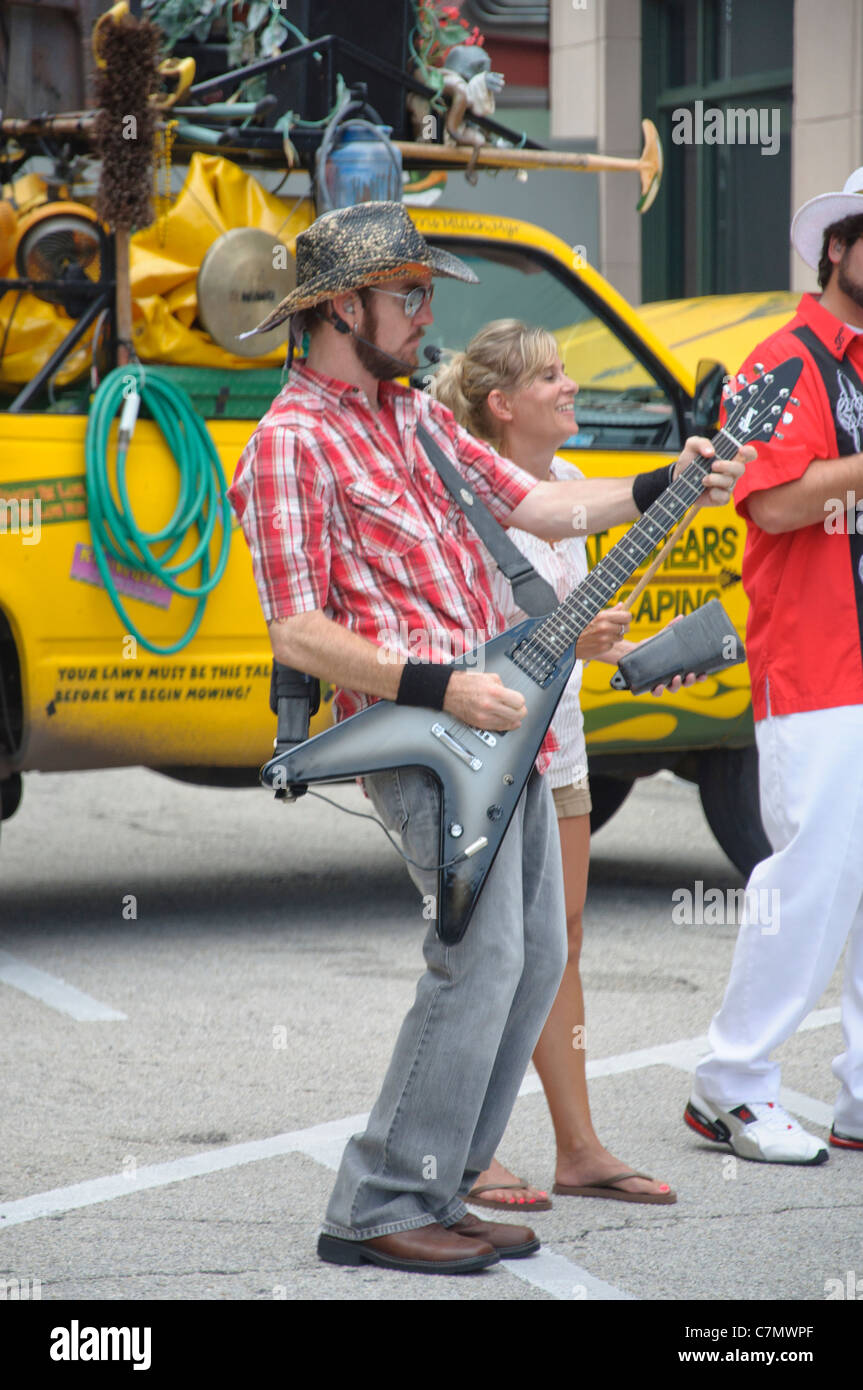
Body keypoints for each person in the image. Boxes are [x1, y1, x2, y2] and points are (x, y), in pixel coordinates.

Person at [228, 200, 747, 1275]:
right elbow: (294, 626)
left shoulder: (411, 418)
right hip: (421, 734)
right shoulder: (290, 440)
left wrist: (672, 476)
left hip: (493, 722)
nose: (424, 316)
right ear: (339, 308)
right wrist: (439, 683)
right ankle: (376, 1201)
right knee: (480, 957)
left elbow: (544, 508)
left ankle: (442, 1181)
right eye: (405, 295)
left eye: (423, 295)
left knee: (534, 951)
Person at [431, 320, 678, 1208]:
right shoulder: (465, 495)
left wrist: (627, 646)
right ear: (501, 406)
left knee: (561, 942)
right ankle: (466, 1148)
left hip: (559, 743)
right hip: (489, 750)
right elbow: (466, 637)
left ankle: (578, 1147)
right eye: (550, 377)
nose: (571, 387)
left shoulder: (572, 484)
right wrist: (572, 634)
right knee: (489, 951)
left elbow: (570, 635)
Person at [686, 167, 863, 1164]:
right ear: (835, 247)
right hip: (815, 666)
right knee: (804, 884)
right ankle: (730, 1084)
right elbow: (775, 502)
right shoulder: (779, 359)